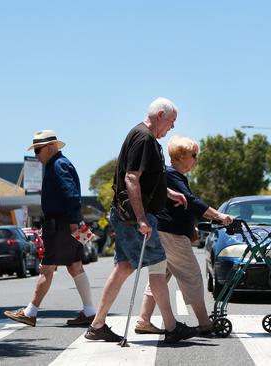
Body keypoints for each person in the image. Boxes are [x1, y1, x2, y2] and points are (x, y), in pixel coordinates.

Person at [84, 97, 197, 344]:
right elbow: (132, 178)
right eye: (171, 121)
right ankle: (171, 327)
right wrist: (142, 218)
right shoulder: (144, 138)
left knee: (125, 266)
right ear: (159, 115)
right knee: (157, 266)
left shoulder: (146, 138)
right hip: (135, 218)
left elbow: (147, 179)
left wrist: (168, 192)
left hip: (130, 216)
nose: (173, 127)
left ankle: (97, 325)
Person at [134, 136, 232, 335]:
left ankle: (144, 320)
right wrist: (218, 215)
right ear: (180, 156)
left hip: (161, 232)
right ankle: (204, 322)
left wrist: (191, 228)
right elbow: (191, 201)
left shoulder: (171, 175)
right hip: (171, 235)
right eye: (193, 155)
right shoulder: (172, 175)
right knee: (192, 276)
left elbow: (181, 205)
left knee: (158, 277)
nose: (196, 159)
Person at [4, 130, 96, 327]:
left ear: (51, 147)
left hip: (61, 224)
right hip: (65, 222)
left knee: (47, 267)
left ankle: (30, 312)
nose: (37, 155)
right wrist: (74, 221)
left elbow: (70, 195)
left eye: (38, 150)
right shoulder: (60, 164)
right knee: (75, 265)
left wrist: (72, 222)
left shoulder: (58, 165)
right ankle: (89, 311)